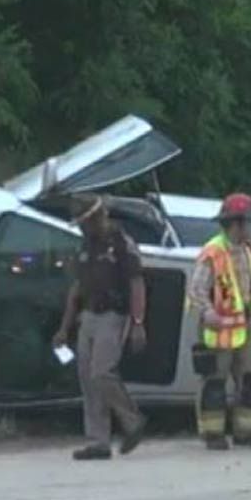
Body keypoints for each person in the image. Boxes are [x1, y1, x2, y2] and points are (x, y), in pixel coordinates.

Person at [52, 194, 148, 461]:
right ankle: (98, 441)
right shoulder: (87, 246)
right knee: (87, 379)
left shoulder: (121, 244)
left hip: (113, 315)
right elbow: (77, 288)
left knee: (102, 372)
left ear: (98, 217)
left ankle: (132, 420)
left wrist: (138, 323)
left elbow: (136, 284)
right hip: (88, 316)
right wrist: (65, 327)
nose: (83, 227)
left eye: (85, 222)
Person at [188, 193, 251, 451]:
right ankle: (213, 434)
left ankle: (247, 432)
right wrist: (206, 311)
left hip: (245, 327)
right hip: (219, 330)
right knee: (215, 381)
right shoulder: (213, 251)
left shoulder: (250, 251)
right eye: (249, 222)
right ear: (236, 223)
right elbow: (196, 289)